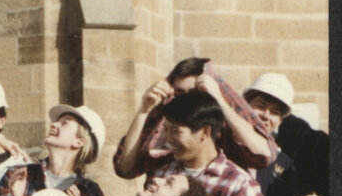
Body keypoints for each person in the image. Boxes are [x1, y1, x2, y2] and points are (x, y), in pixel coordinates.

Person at [113, 57, 272, 181]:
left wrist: (219, 101)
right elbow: (125, 169)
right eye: (180, 93)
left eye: (195, 92)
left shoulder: (236, 181)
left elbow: (263, 155)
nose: (187, 99)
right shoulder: (165, 130)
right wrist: (143, 109)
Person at [122, 87, 270, 196]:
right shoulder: (162, 175)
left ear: (205, 132)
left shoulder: (238, 184)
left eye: (175, 131)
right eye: (165, 130)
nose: (168, 139)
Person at [243, 71, 328, 196]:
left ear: (280, 121)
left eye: (274, 112)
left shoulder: (283, 162)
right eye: (260, 106)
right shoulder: (225, 145)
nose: (266, 115)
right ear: (245, 105)